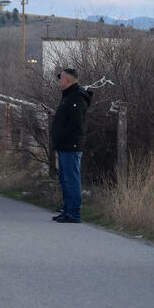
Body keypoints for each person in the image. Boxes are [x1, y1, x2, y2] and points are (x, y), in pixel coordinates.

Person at [50, 67, 92, 224]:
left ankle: (74, 213)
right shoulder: (68, 97)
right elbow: (67, 117)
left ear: (67, 80)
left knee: (71, 180)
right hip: (63, 145)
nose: (59, 82)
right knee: (64, 179)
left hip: (71, 146)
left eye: (61, 79)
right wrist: (56, 114)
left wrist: (63, 134)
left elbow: (76, 124)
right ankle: (67, 210)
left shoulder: (76, 98)